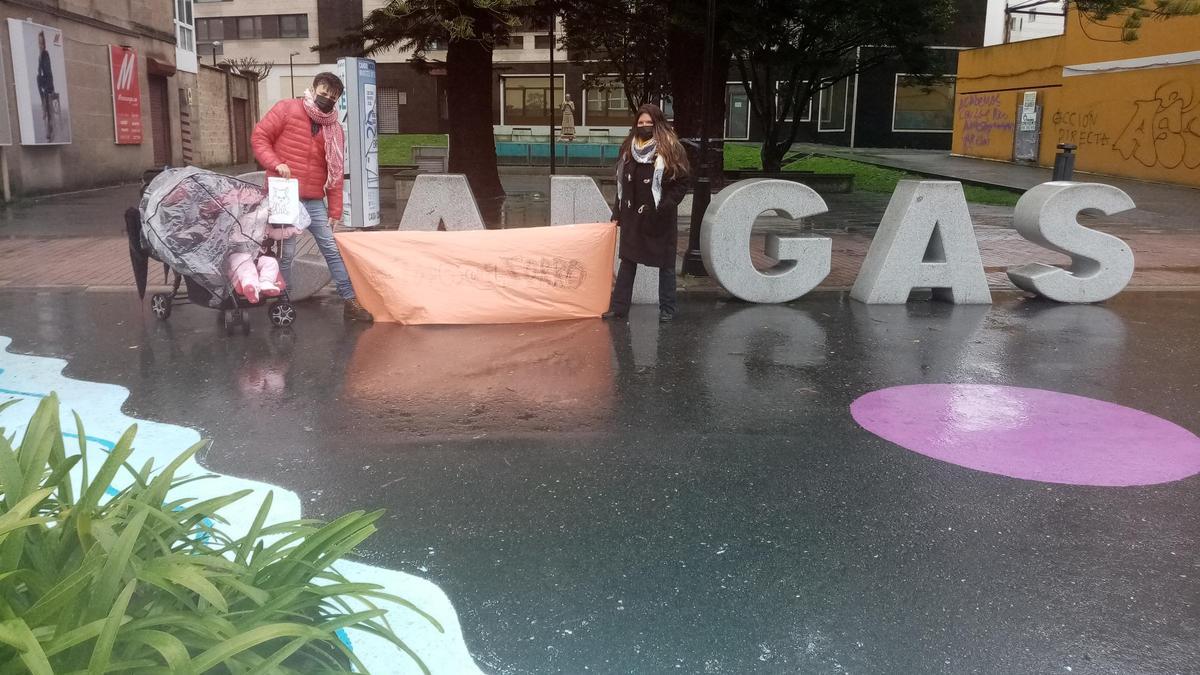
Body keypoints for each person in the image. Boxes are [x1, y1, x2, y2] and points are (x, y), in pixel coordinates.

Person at [251, 72, 374, 322]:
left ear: (337, 99)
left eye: (333, 95)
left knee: (330, 248)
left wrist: (335, 211)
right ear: (314, 88)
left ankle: (350, 301)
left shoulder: (335, 130)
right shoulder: (287, 108)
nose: (326, 98)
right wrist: (276, 163)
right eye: (324, 91)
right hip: (285, 195)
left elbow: (336, 172)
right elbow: (260, 137)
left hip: (314, 199)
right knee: (287, 251)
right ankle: (283, 301)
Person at [603, 104, 689, 322]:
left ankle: (667, 309)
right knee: (628, 262)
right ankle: (619, 309)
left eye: (649, 123)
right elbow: (621, 182)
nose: (644, 127)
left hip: (658, 215)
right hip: (632, 215)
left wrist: (666, 206)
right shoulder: (627, 148)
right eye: (640, 123)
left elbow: (682, 182)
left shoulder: (671, 148)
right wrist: (617, 211)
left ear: (657, 124)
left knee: (666, 265)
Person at [36, 32, 55, 142]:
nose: (40, 45)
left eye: (42, 43)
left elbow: (48, 72)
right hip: (43, 85)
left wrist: (45, 87)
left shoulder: (45, 54)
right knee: (37, 77)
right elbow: (40, 72)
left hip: (48, 85)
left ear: (45, 44)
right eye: (39, 43)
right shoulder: (40, 55)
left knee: (48, 107)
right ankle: (44, 105)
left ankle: (50, 130)